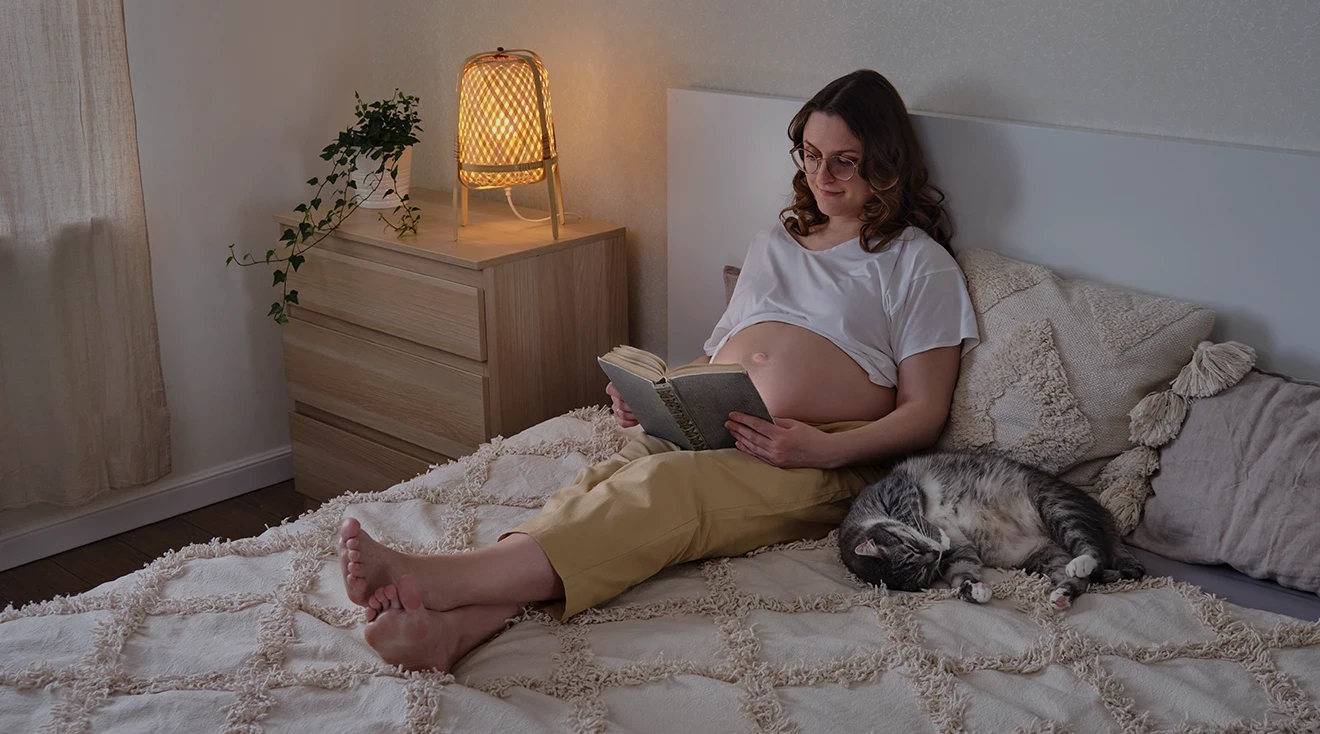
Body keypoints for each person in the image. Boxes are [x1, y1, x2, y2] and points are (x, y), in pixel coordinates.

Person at [337, 69, 979, 671]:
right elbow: (722, 354)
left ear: (887, 165)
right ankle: (457, 631)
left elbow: (924, 415)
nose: (823, 176)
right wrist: (660, 394)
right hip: (724, 419)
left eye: (845, 160)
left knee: (668, 493)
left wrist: (814, 447)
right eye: (811, 155)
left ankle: (439, 580)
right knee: (602, 480)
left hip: (824, 453)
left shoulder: (917, 263)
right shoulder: (775, 244)